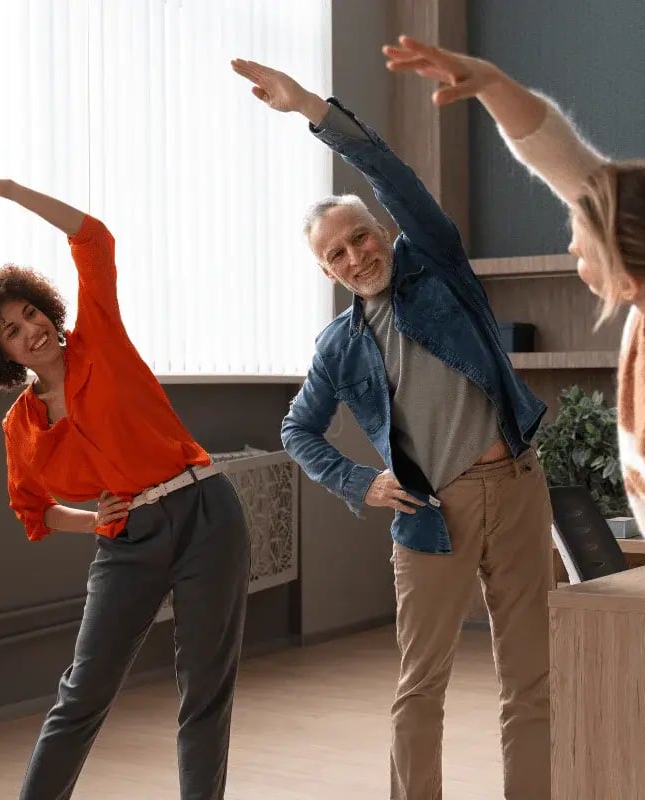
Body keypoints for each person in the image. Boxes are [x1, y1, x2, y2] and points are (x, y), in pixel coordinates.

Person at [383, 34, 645, 799]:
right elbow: (564, 159)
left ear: (628, 272)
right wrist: (494, 84)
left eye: (581, 236)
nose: (568, 235)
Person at [231, 58, 554, 799]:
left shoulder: (436, 265)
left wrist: (312, 107)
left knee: (528, 681)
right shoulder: (338, 348)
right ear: (326, 271)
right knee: (420, 690)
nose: (356, 256)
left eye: (361, 237)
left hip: (516, 487)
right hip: (430, 517)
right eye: (336, 254)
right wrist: (361, 482)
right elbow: (297, 430)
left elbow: (389, 170)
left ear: (382, 231)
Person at [0, 166, 251, 800]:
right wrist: (95, 520)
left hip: (204, 512)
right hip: (128, 542)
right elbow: (33, 509)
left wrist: (8, 191)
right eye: (14, 331)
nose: (33, 330)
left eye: (32, 313)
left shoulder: (98, 339)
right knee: (81, 695)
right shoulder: (19, 425)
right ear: (2, 356)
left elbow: (95, 238)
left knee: (203, 689)